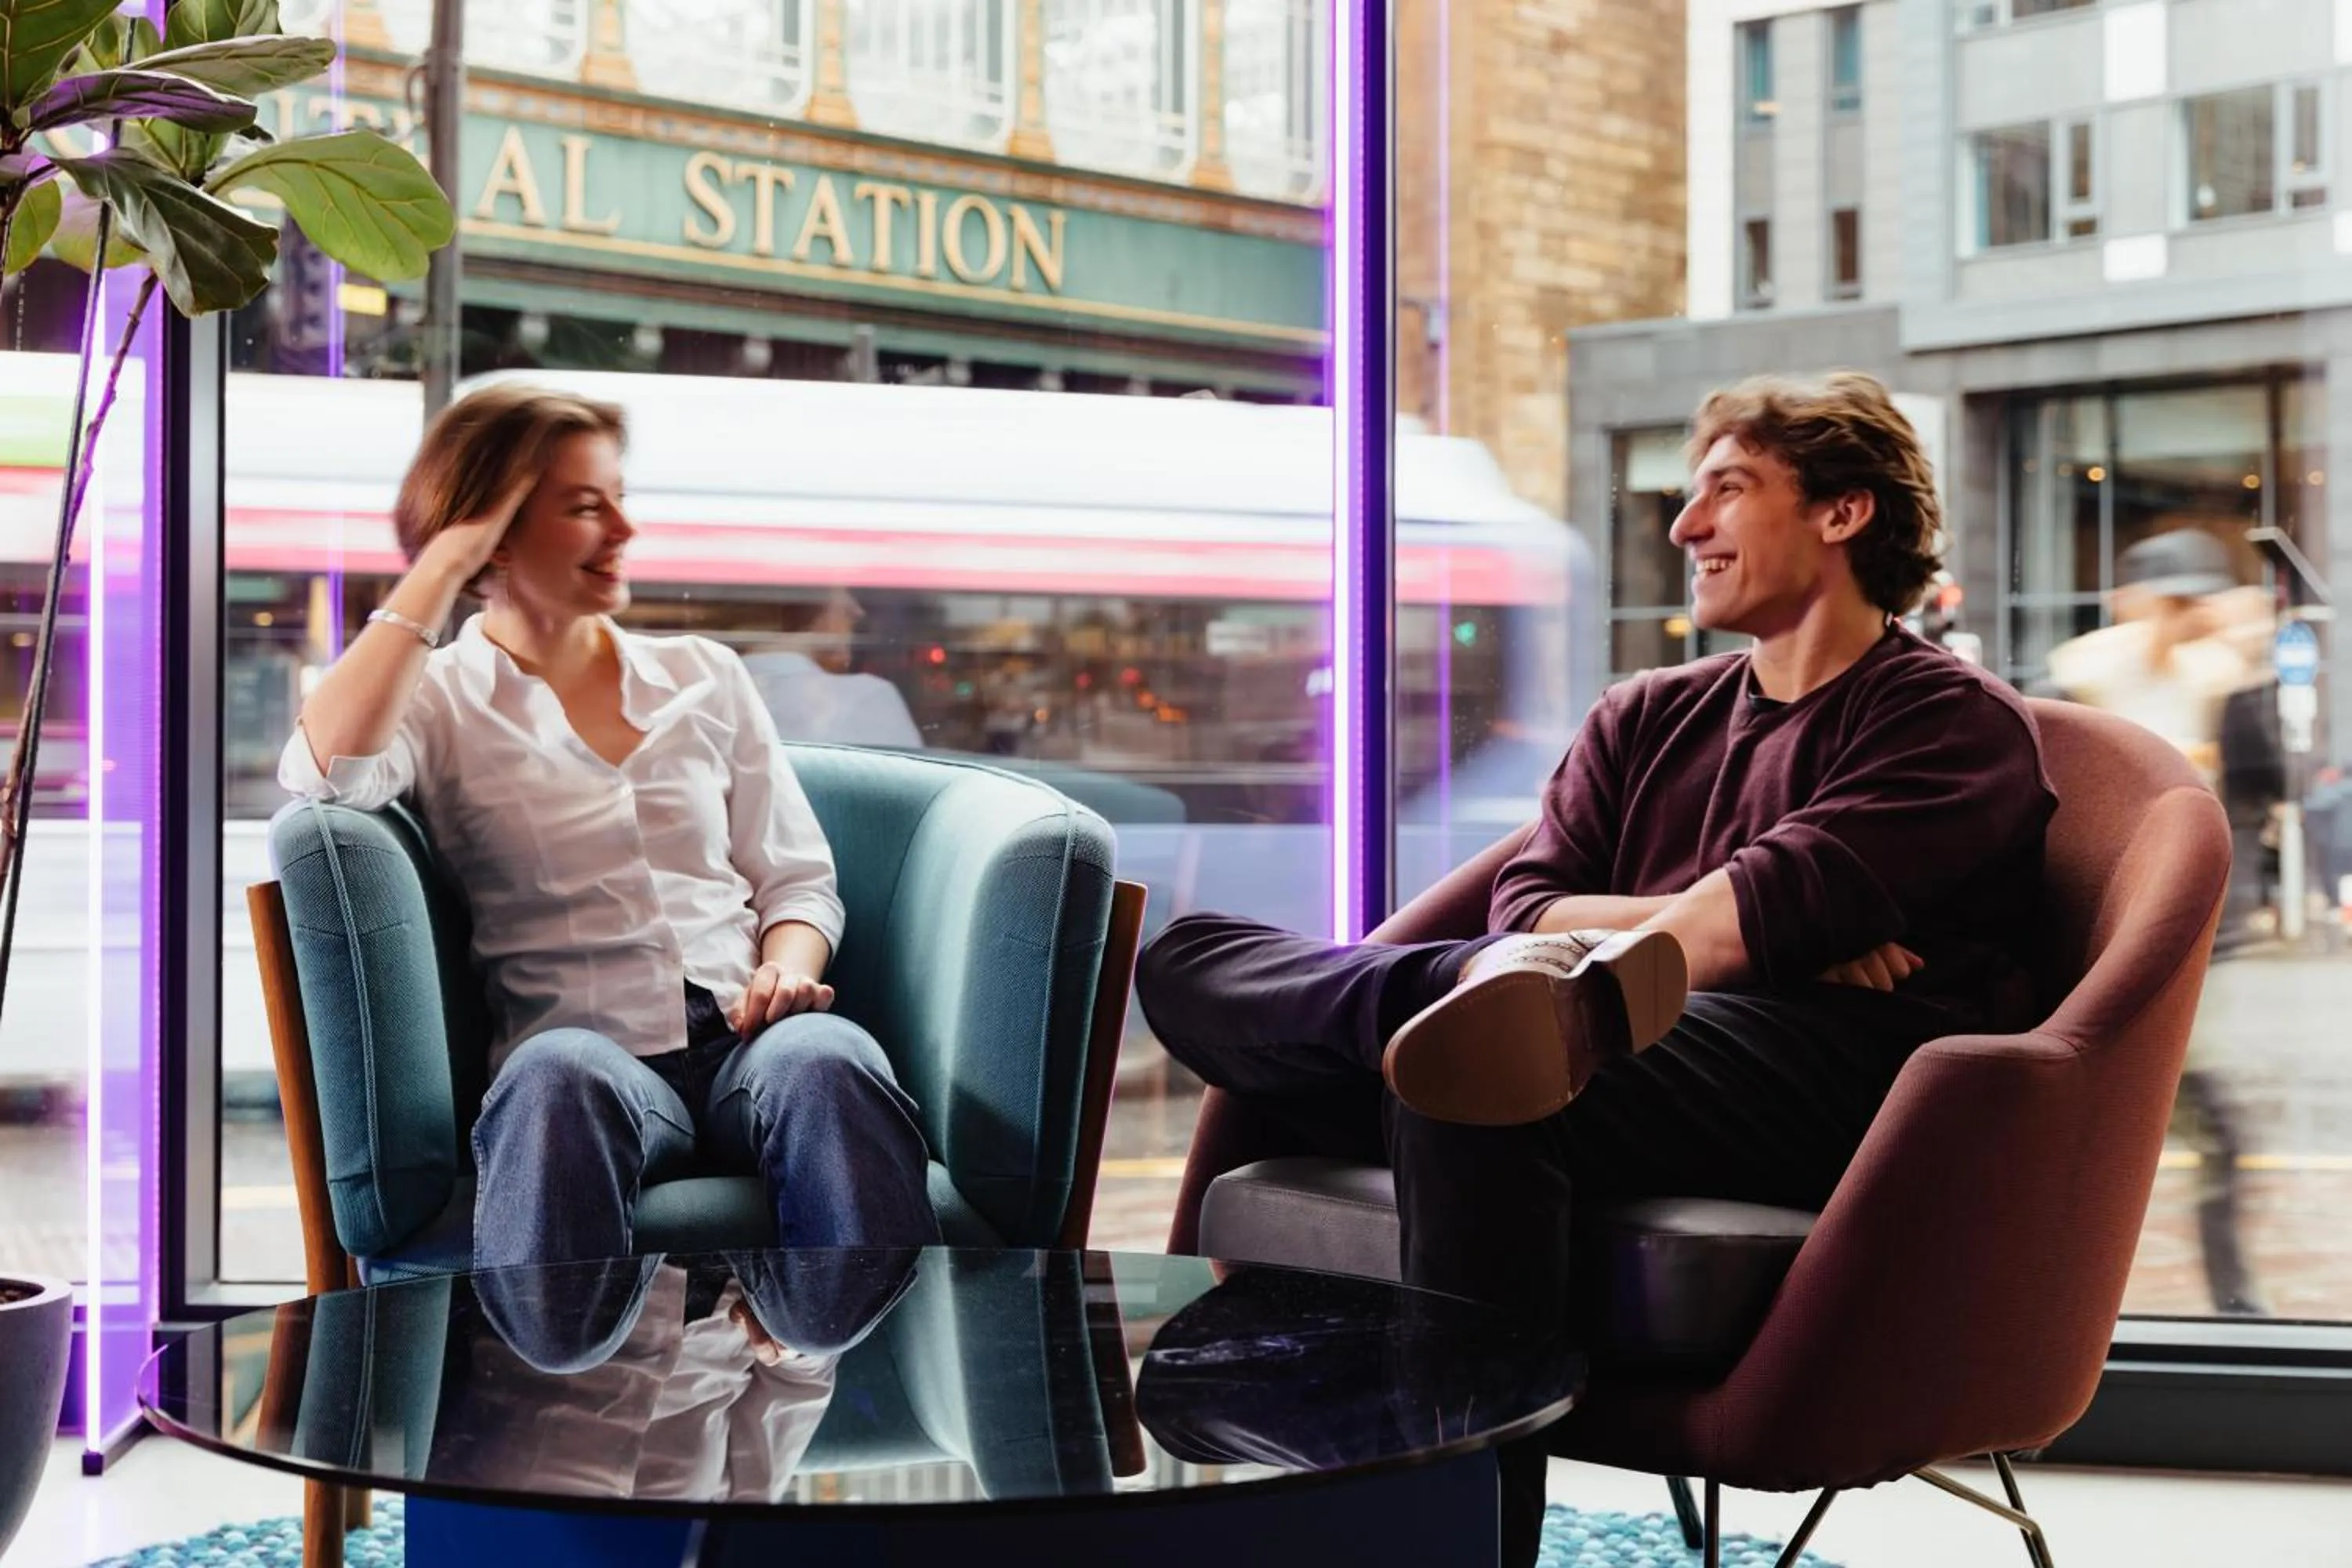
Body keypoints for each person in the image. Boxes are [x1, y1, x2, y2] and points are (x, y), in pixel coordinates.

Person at [1134, 370, 2056, 1566]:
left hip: (1822, 1091)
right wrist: (1701, 930)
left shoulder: (1948, 724)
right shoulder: (1643, 716)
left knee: (1488, 1071)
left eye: (1727, 489)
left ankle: (1462, 1542)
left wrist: (1672, 936)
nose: (1684, 528)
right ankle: (1462, 1008)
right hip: (1594, 1049)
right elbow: (1532, 903)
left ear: (1845, 513)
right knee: (1196, 959)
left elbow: (1742, 920)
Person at [279, 383, 940, 1268]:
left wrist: (785, 973)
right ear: (495, 529)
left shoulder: (704, 673)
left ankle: (896, 1380)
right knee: (555, 1078)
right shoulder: (438, 699)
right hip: (592, 1059)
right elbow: (324, 773)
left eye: (621, 501)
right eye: (588, 507)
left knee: (832, 1055)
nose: (625, 532)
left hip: (750, 1046)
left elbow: (797, 881)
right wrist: (441, 566)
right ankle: (546, 1395)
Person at [2044, 527, 2275, 1316]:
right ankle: (2047, 1311)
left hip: (2186, 933)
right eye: (2170, 600)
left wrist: (2251, 666)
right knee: (2084, 1139)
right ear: (2132, 600)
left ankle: (2234, 1303)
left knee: (2199, 1130)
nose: (2181, 617)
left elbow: (2261, 780)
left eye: (2192, 601)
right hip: (2089, 934)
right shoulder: (2082, 671)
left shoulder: (2218, 672)